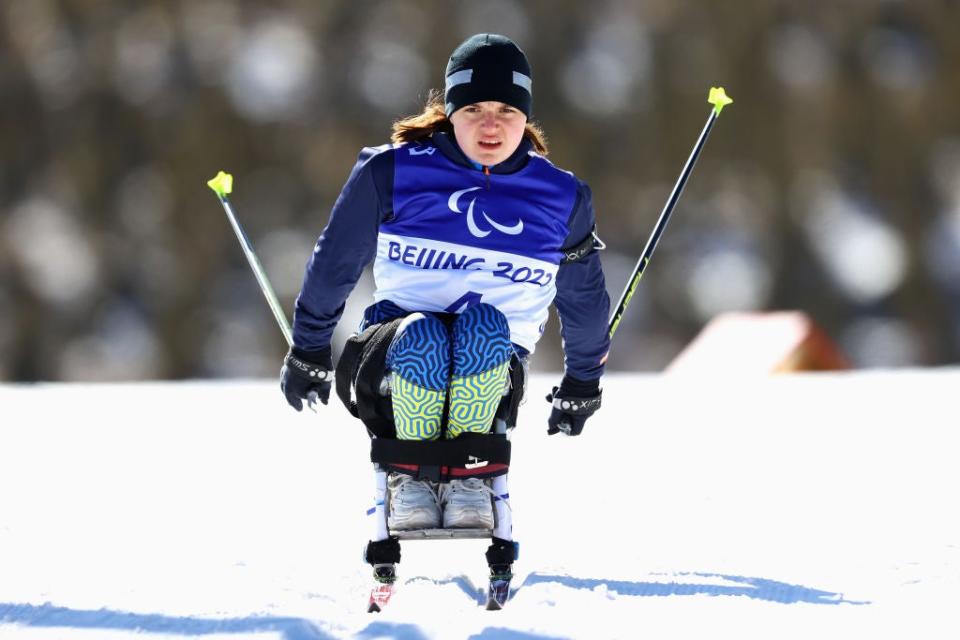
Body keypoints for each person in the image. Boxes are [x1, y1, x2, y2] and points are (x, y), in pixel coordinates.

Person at [280, 32, 609, 560]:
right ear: (450, 111)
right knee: (426, 334)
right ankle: (409, 477)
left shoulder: (563, 197)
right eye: (474, 108)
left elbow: (583, 296)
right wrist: (310, 347)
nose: (490, 125)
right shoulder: (392, 170)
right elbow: (335, 262)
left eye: (506, 109)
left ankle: (469, 478)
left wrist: (584, 380)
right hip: (393, 357)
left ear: (526, 116)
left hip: (494, 365)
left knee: (484, 327)